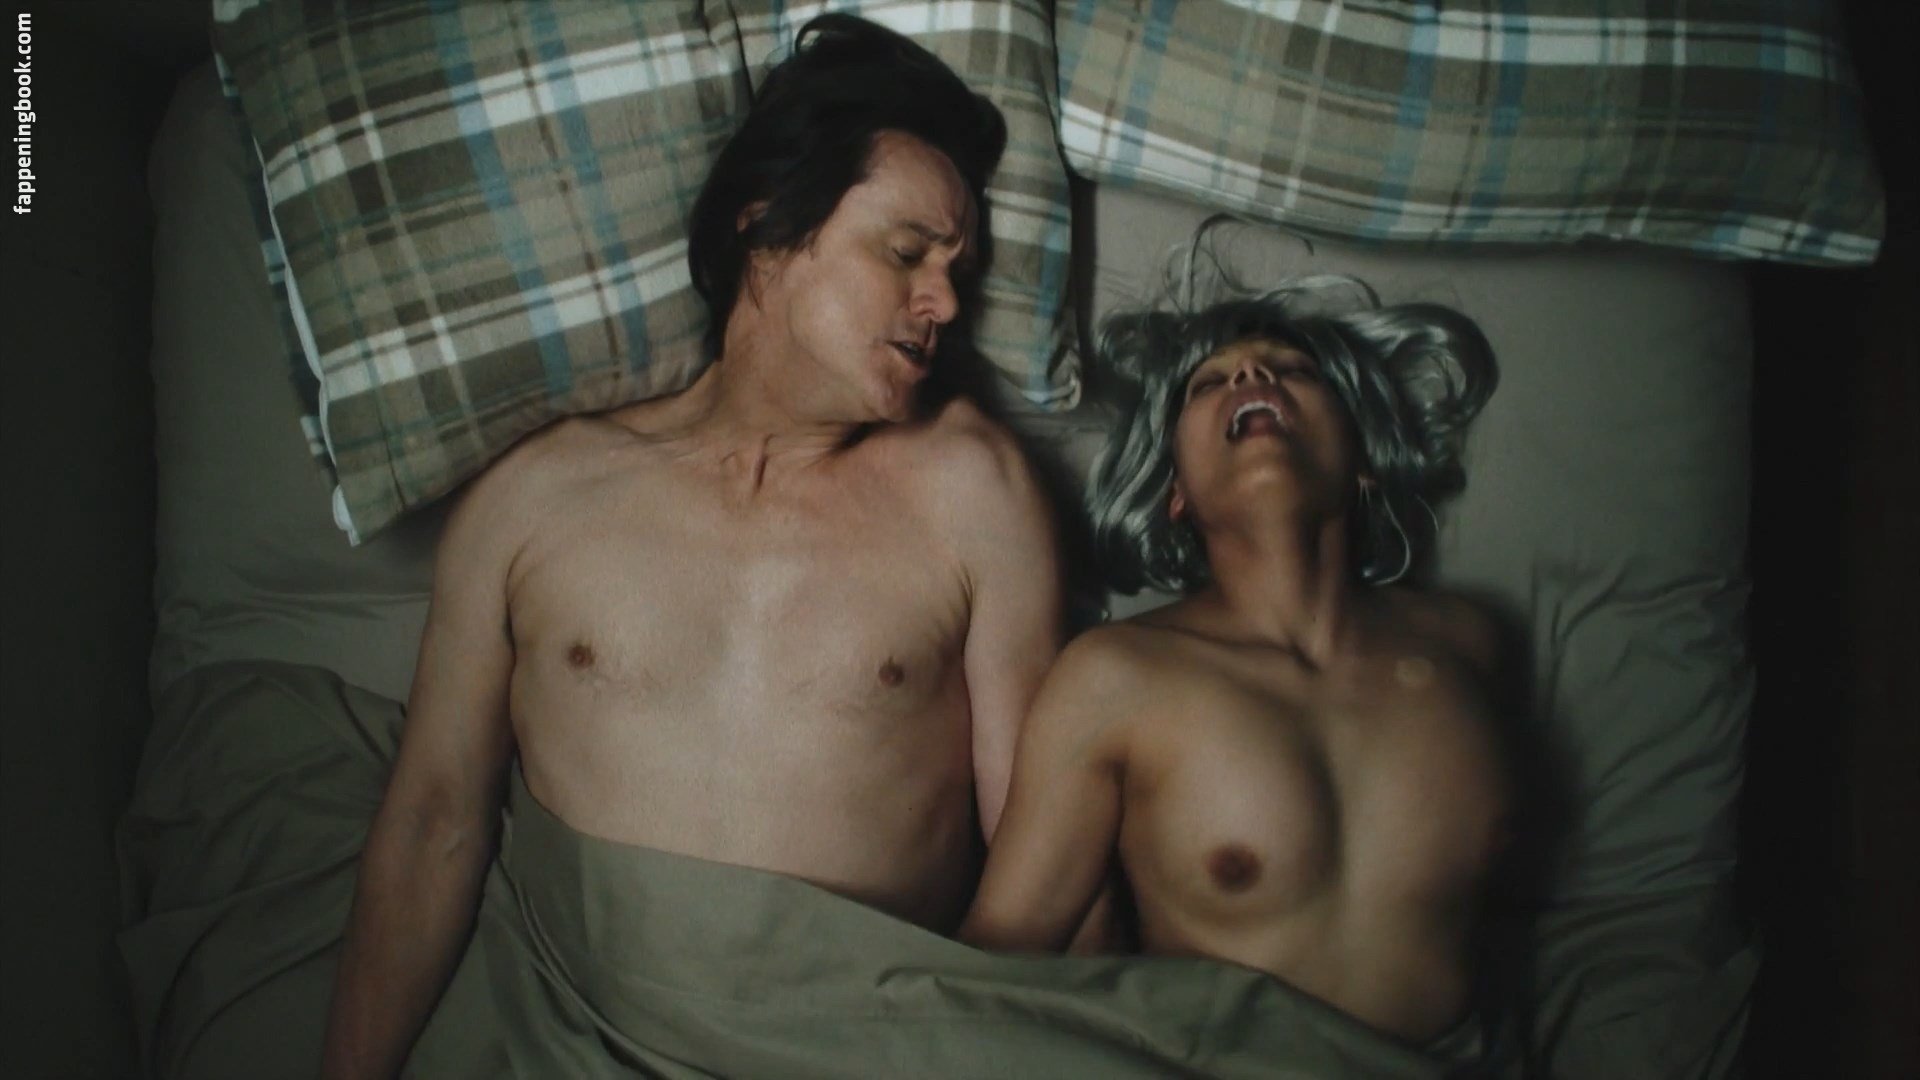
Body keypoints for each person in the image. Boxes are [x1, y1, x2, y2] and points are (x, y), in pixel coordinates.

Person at [321, 16, 1062, 1078]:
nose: (944, 302)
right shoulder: (538, 494)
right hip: (575, 1039)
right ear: (766, 227)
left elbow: (1048, 848)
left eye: (959, 273)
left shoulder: (972, 489)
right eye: (907, 254)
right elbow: (434, 819)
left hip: (863, 1043)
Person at [960, 275, 1509, 1045]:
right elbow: (998, 960)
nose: (1250, 375)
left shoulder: (1468, 644)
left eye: (1295, 371)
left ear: (1363, 458)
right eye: (1208, 384)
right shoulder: (1116, 679)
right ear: (1176, 493)